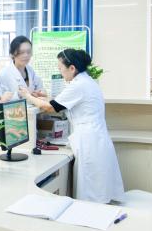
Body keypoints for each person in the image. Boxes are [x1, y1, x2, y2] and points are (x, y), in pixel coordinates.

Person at [22, 49, 124, 204]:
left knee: (92, 193)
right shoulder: (85, 81)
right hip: (96, 138)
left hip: (90, 141)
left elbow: (49, 108)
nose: (60, 72)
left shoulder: (79, 85)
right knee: (98, 189)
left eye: (60, 68)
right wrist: (44, 97)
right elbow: (60, 102)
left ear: (72, 68)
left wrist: (27, 96)